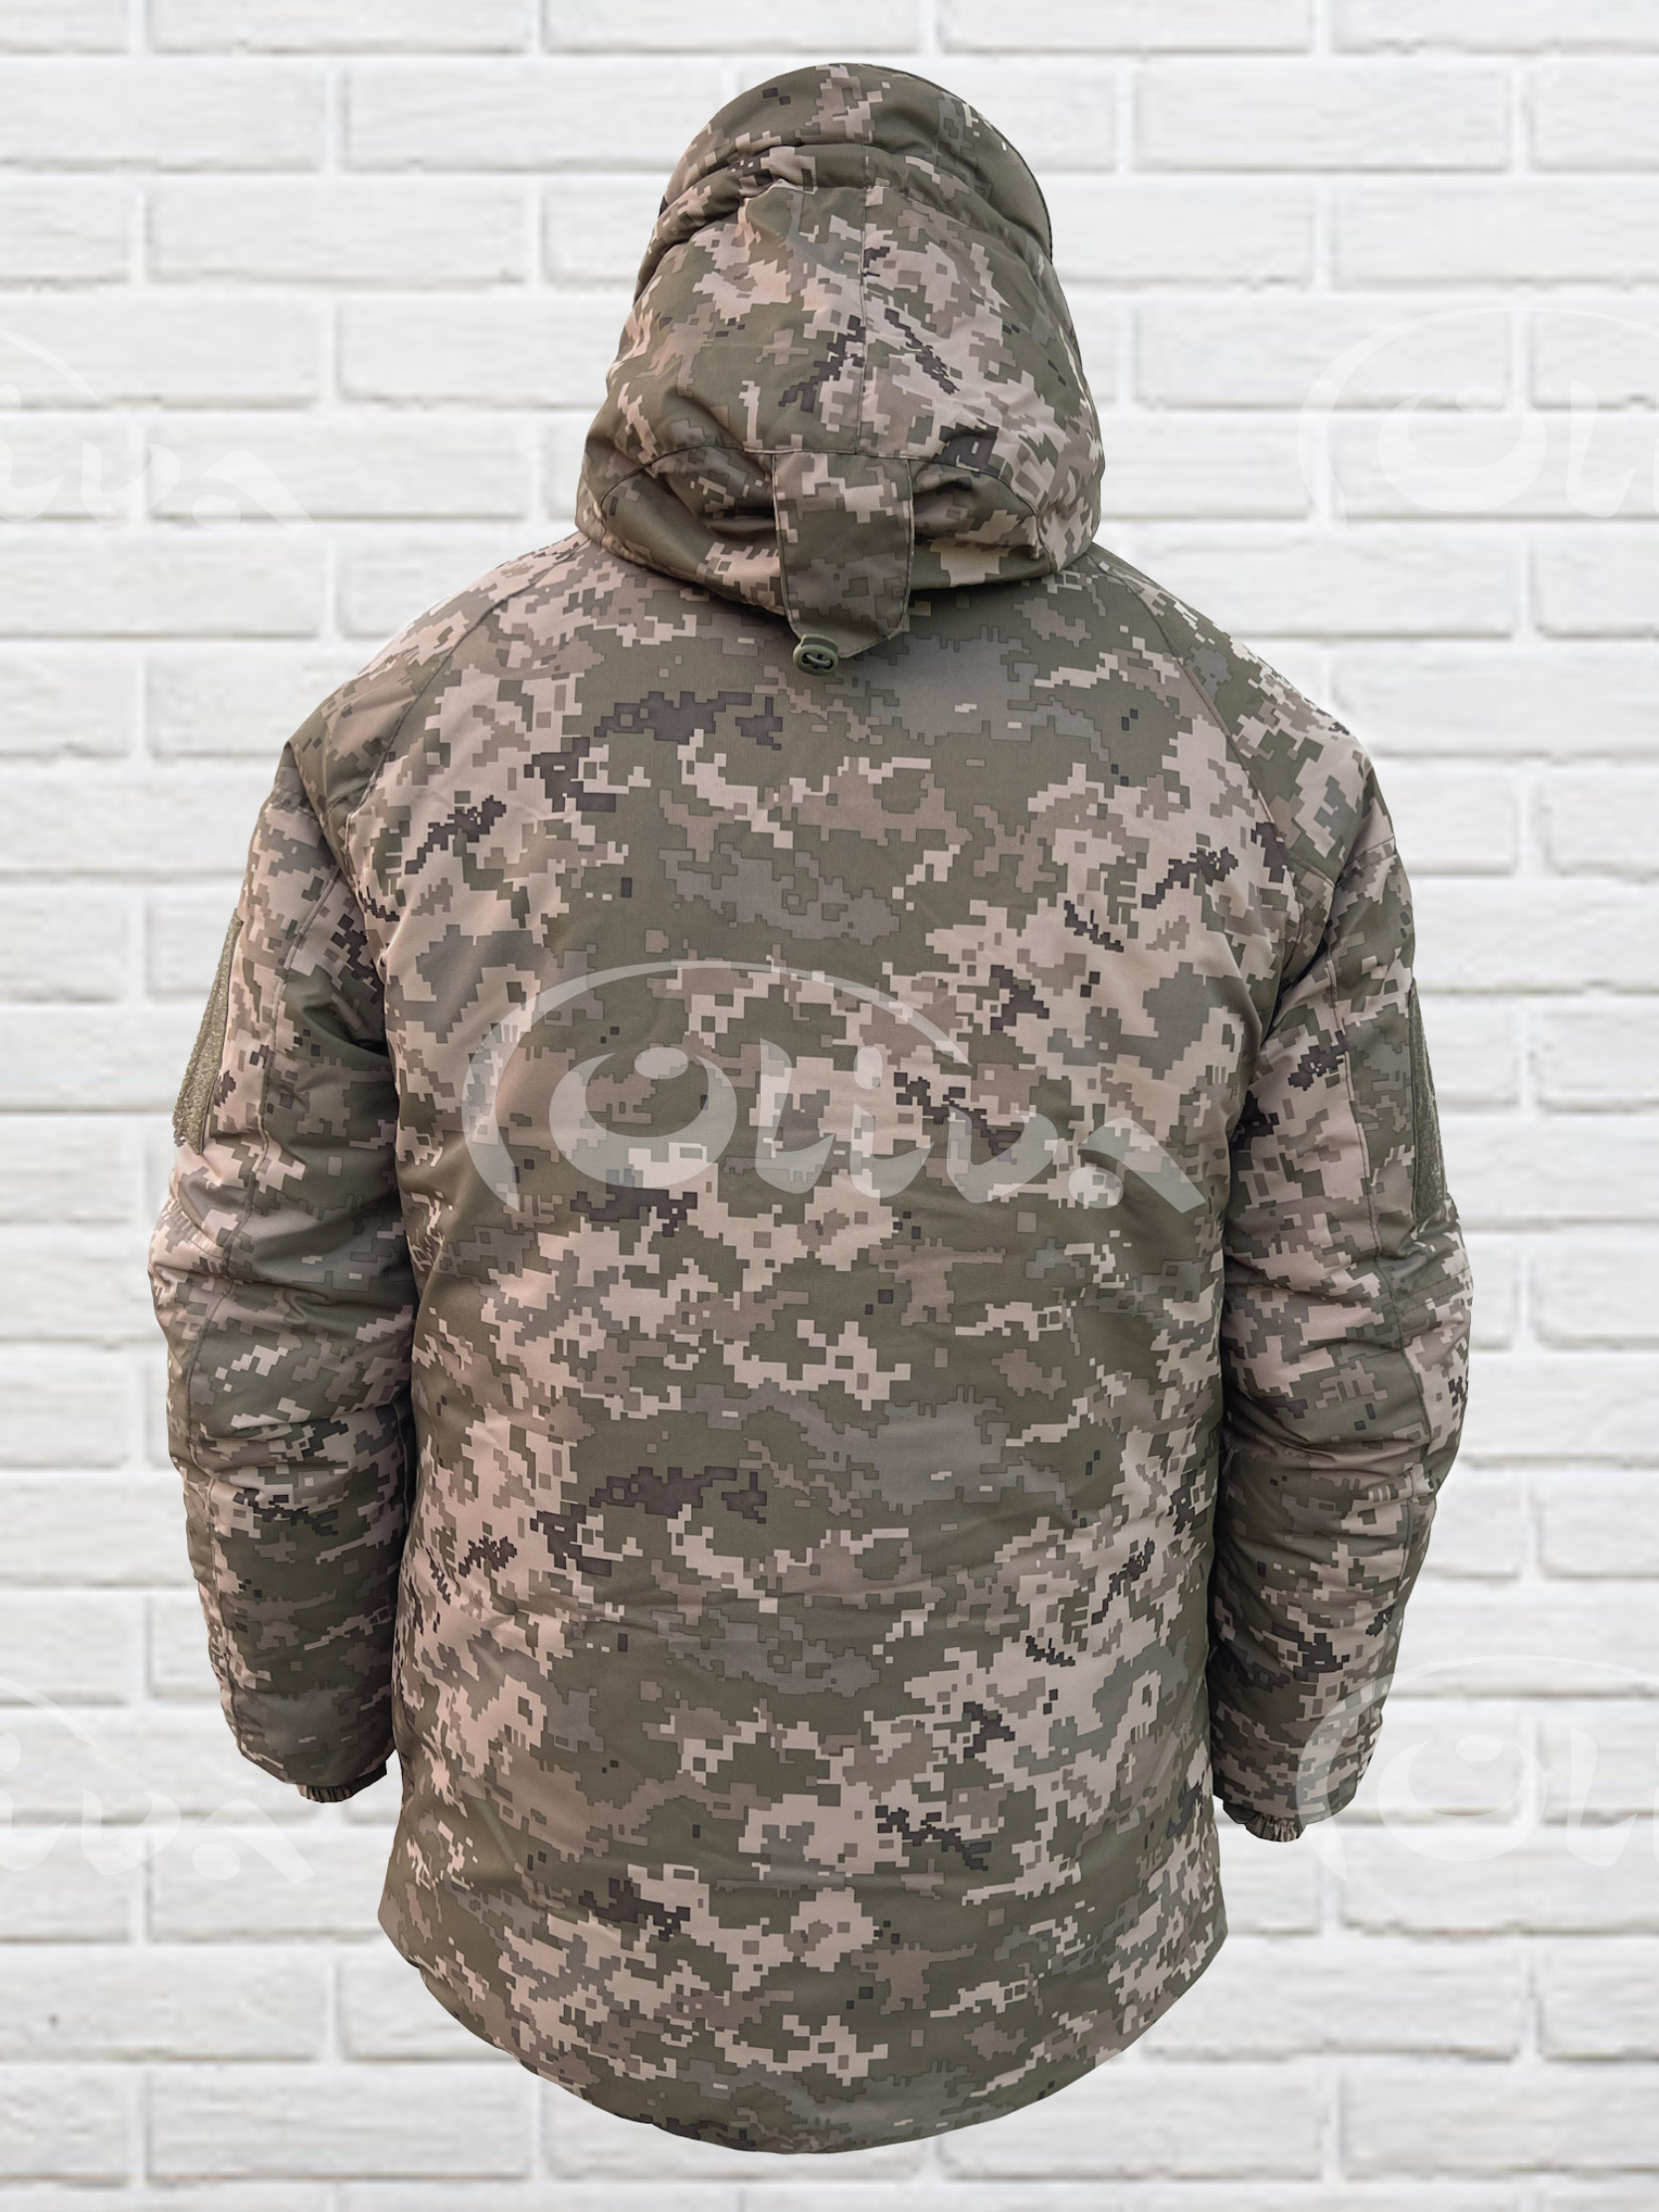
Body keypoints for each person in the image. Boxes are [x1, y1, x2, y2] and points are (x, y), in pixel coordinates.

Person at [147, 60, 1473, 2155]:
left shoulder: (404, 747)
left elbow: (272, 1305)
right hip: (1047, 1911)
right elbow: (1354, 1354)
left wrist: (310, 1722)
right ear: (1022, 322)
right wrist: (1284, 1756)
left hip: (538, 1900)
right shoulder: (1261, 776)